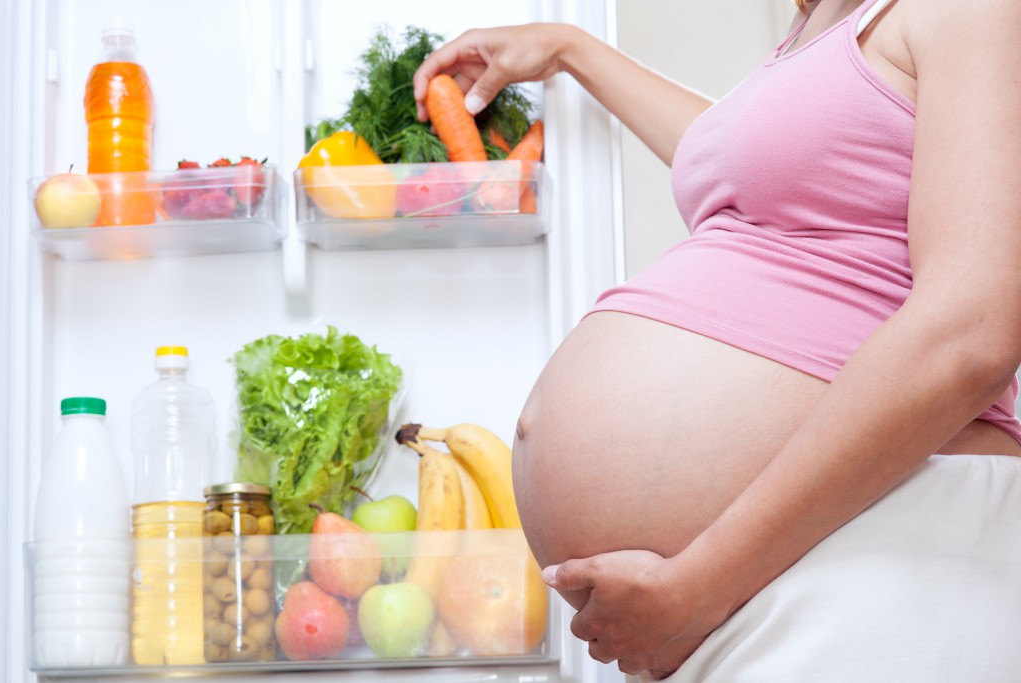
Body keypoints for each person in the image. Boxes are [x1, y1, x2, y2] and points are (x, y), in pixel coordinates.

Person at [414, 0, 1021, 680]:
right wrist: (570, 49)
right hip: (774, 582)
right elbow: (742, 147)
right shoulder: (820, 32)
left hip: (866, 553)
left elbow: (971, 337)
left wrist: (701, 584)